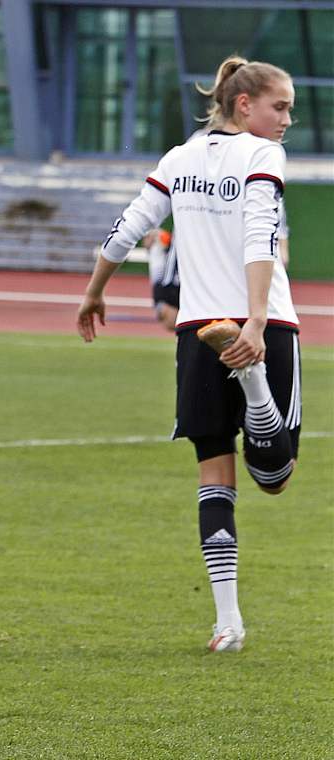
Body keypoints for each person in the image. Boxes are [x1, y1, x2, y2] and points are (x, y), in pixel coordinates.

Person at [77, 56, 300, 653]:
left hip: (198, 328)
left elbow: (129, 227)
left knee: (213, 475)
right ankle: (254, 387)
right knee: (274, 478)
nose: (286, 121)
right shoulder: (263, 155)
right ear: (244, 103)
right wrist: (253, 320)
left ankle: (227, 622)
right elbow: (260, 235)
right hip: (265, 324)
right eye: (280, 107)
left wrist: (94, 291)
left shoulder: (179, 158)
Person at [142, 228, 180, 330]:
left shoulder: (161, 239)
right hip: (163, 285)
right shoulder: (154, 250)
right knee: (169, 321)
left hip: (167, 284)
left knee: (171, 322)